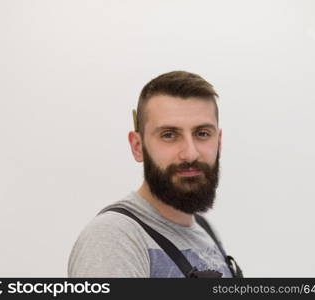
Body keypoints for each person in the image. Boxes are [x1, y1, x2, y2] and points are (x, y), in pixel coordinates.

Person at [68, 71, 242, 278]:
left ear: (219, 142)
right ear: (137, 146)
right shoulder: (114, 239)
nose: (190, 153)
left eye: (202, 134)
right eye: (169, 135)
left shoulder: (205, 230)